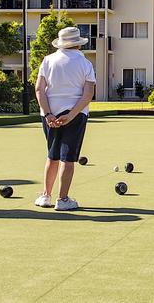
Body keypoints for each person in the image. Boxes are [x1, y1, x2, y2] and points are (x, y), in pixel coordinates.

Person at [34, 27, 96, 210]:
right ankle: (63, 199)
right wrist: (71, 115)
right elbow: (88, 94)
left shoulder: (48, 60)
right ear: (78, 43)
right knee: (67, 158)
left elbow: (39, 89)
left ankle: (46, 196)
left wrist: (48, 114)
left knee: (52, 156)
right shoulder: (85, 63)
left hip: (50, 114)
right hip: (76, 115)